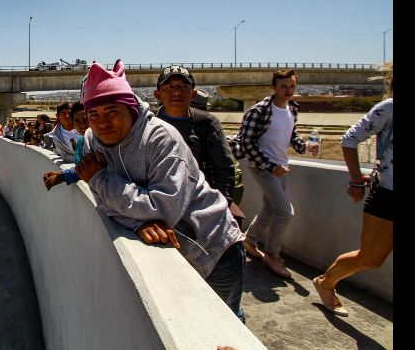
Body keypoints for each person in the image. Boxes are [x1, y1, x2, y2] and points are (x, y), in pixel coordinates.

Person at [75, 60, 246, 321]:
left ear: (130, 108)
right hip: (176, 249)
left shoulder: (161, 138)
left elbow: (164, 209)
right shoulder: (91, 140)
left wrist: (99, 177)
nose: (102, 123)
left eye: (111, 111)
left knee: (226, 323)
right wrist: (136, 223)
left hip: (214, 248)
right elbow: (102, 203)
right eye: (93, 115)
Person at [312, 62, 393, 317]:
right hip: (388, 195)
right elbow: (349, 139)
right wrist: (356, 180)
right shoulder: (389, 108)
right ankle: (325, 282)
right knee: (371, 258)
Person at [236, 69, 307, 279]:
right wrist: (269, 166)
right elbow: (246, 142)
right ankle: (272, 254)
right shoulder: (259, 111)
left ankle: (249, 241)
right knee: (285, 212)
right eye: (284, 86)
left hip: (281, 166)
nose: (288, 91)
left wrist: (303, 146)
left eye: (292, 86)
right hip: (262, 167)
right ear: (273, 87)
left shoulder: (292, 110)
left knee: (269, 207)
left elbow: (291, 134)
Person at [153, 65, 236, 206]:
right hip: (161, 205)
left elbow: (224, 168)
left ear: (193, 93)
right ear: (157, 94)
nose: (176, 93)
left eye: (183, 86)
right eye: (169, 87)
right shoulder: (149, 125)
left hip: (201, 203)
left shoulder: (207, 123)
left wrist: (222, 205)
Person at [42, 101, 89, 189]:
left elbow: (94, 166)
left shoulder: (98, 136)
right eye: (77, 121)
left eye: (85, 119)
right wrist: (62, 174)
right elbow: (84, 166)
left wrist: (62, 176)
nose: (82, 124)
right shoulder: (80, 141)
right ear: (57, 116)